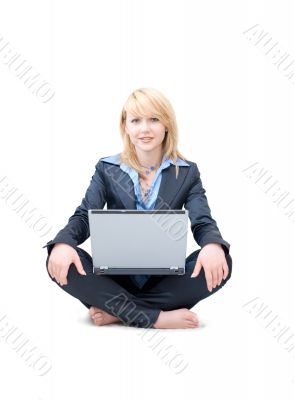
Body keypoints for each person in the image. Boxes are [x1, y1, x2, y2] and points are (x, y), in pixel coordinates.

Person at [43, 87, 233, 329]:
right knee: (60, 259)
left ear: (167, 124)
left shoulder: (187, 172)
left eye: (154, 119)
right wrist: (63, 243)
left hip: (164, 280)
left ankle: (120, 312)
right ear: (126, 127)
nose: (145, 129)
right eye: (136, 120)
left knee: (223, 261)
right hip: (114, 278)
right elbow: (84, 216)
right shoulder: (106, 168)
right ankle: (154, 316)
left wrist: (212, 245)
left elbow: (202, 221)